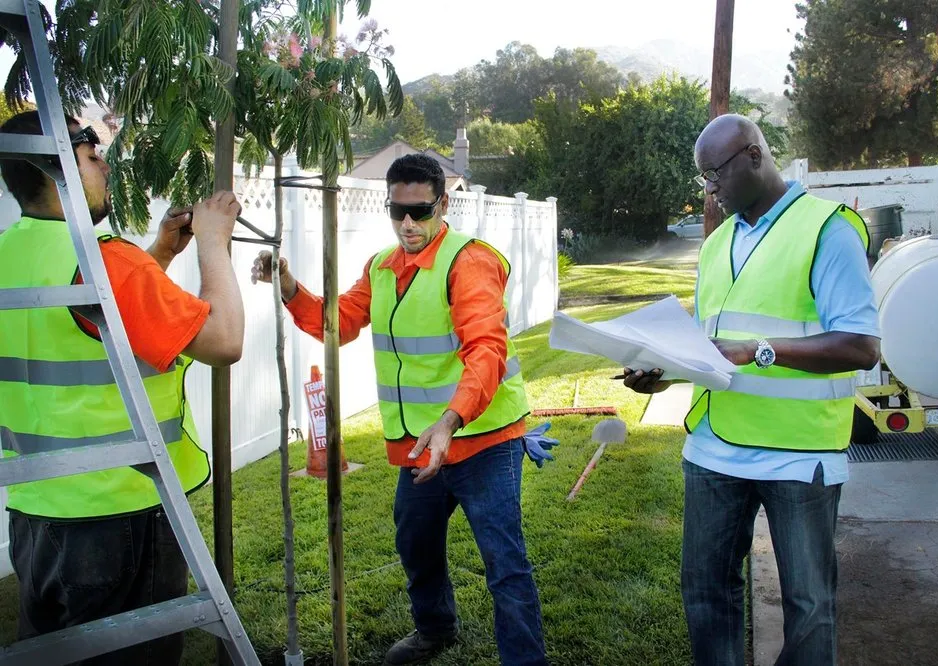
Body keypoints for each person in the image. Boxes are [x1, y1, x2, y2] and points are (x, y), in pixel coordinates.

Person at [250, 153, 548, 666]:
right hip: (418, 445)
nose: (407, 223)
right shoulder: (382, 268)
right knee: (416, 544)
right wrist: (289, 285)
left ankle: (526, 661)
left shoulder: (469, 261)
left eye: (420, 211)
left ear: (443, 204)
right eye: (397, 211)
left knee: (505, 563)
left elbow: (486, 351)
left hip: (484, 442)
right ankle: (435, 628)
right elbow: (338, 322)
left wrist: (449, 422)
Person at [622, 114, 881, 666]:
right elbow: (708, 346)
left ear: (755, 156)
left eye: (714, 173)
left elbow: (861, 346)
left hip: (798, 454)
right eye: (703, 179)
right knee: (706, 592)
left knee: (809, 606)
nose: (709, 188)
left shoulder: (826, 228)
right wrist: (661, 373)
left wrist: (758, 349)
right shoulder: (717, 246)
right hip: (715, 448)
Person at [0, 110, 245, 665]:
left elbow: (92, 328)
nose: (106, 166)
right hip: (121, 515)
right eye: (92, 157)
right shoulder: (104, 258)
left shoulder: (10, 254)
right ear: (55, 166)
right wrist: (213, 243)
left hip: (38, 514)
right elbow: (224, 340)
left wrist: (158, 256)